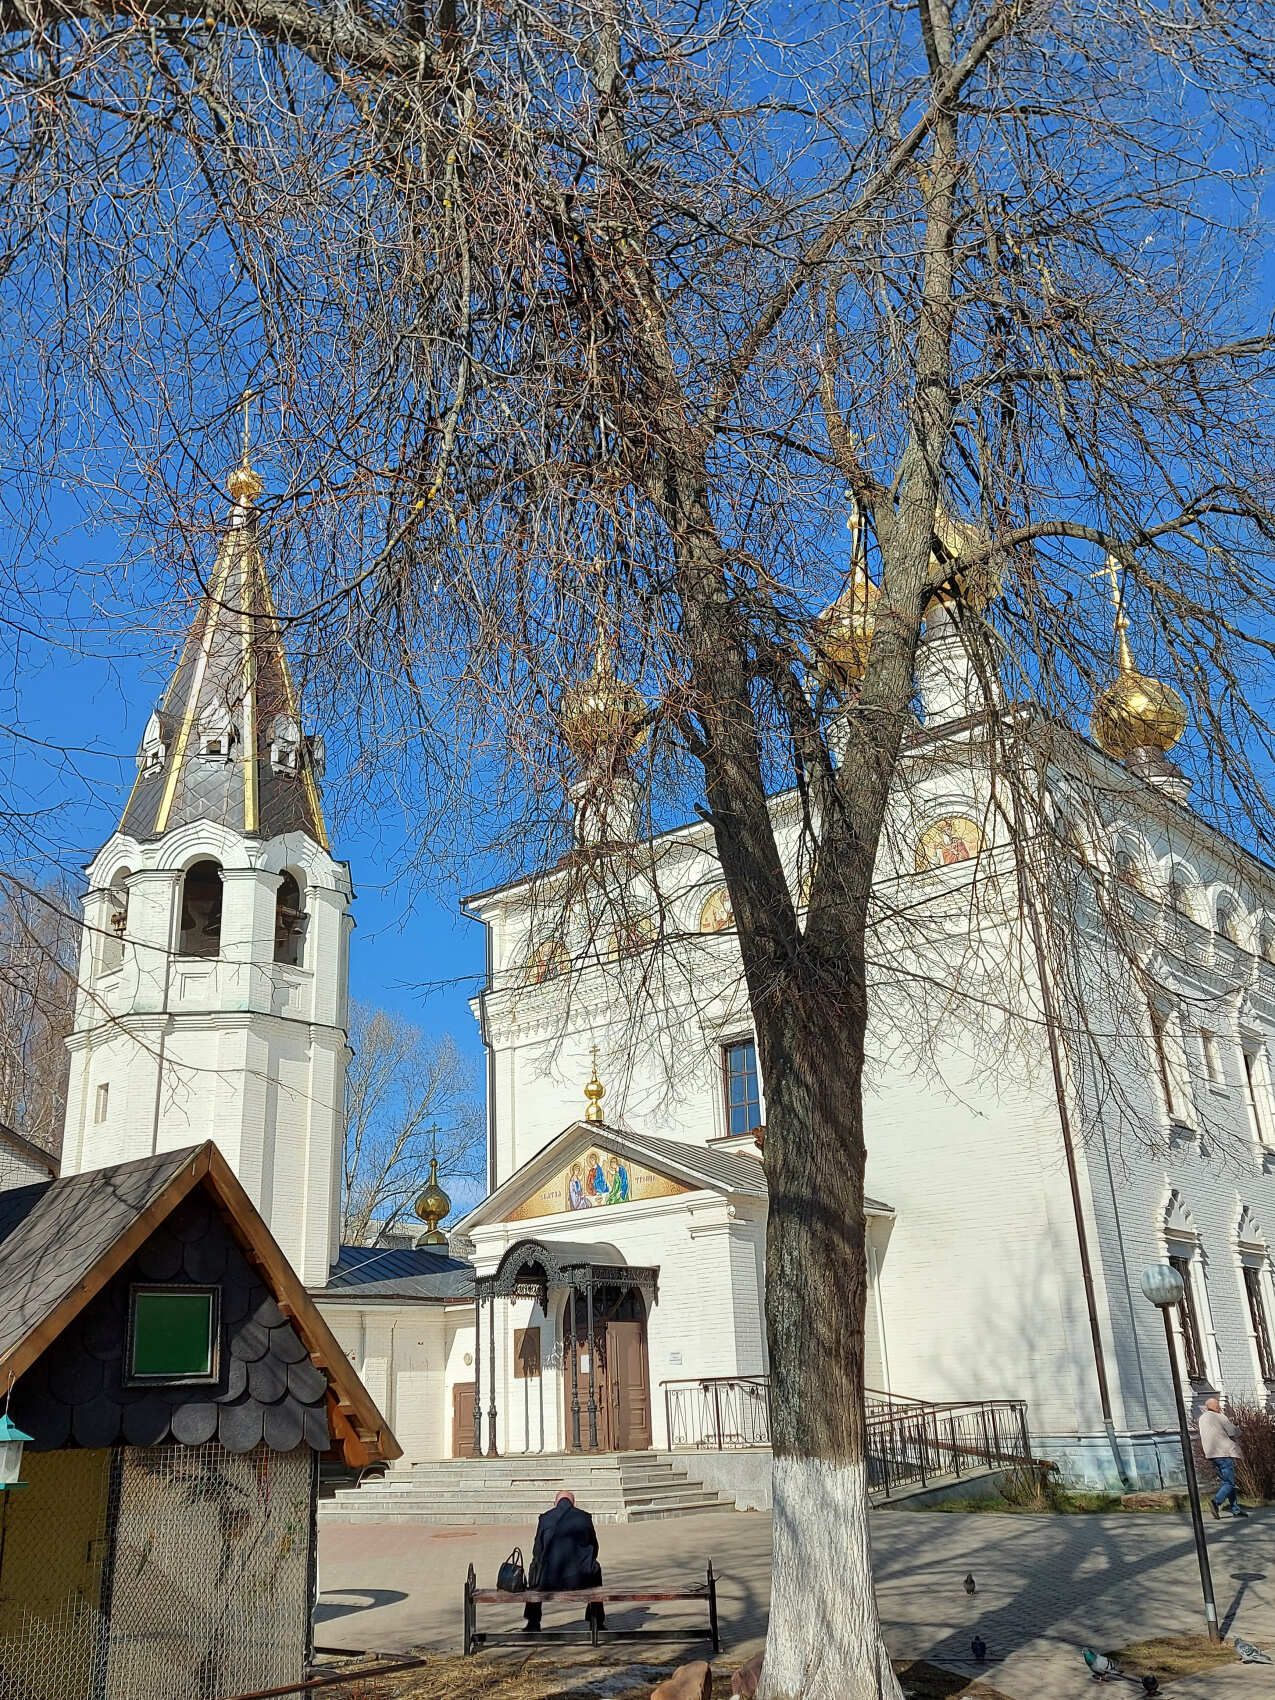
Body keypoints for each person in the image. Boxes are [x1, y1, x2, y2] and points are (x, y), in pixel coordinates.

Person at [523, 1490, 605, 1633]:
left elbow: (537, 1550)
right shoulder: (584, 1518)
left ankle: (533, 1622)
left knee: (534, 1568)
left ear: (555, 1503)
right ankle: (596, 1621)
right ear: (573, 1503)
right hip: (581, 1580)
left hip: (548, 1581)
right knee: (595, 1569)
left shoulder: (545, 1519)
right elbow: (594, 1546)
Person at [1198, 1396, 1248, 1519]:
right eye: (1218, 1405)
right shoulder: (1219, 1416)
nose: (1220, 1407)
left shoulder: (1202, 1418)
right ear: (1215, 1406)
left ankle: (1235, 1509)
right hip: (1224, 1453)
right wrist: (1239, 1430)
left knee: (1226, 1482)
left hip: (1211, 1454)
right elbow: (1232, 1432)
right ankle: (1216, 1502)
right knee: (1229, 1483)